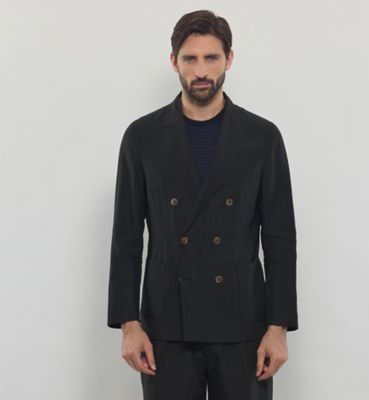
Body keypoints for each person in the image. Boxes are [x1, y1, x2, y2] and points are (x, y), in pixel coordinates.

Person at [107, 9, 298, 400]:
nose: (200, 71)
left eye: (211, 57)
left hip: (242, 324)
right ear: (173, 61)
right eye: (190, 58)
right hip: (166, 325)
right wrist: (129, 324)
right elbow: (126, 238)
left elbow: (280, 239)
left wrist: (278, 327)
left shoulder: (262, 138)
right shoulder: (142, 137)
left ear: (229, 59)